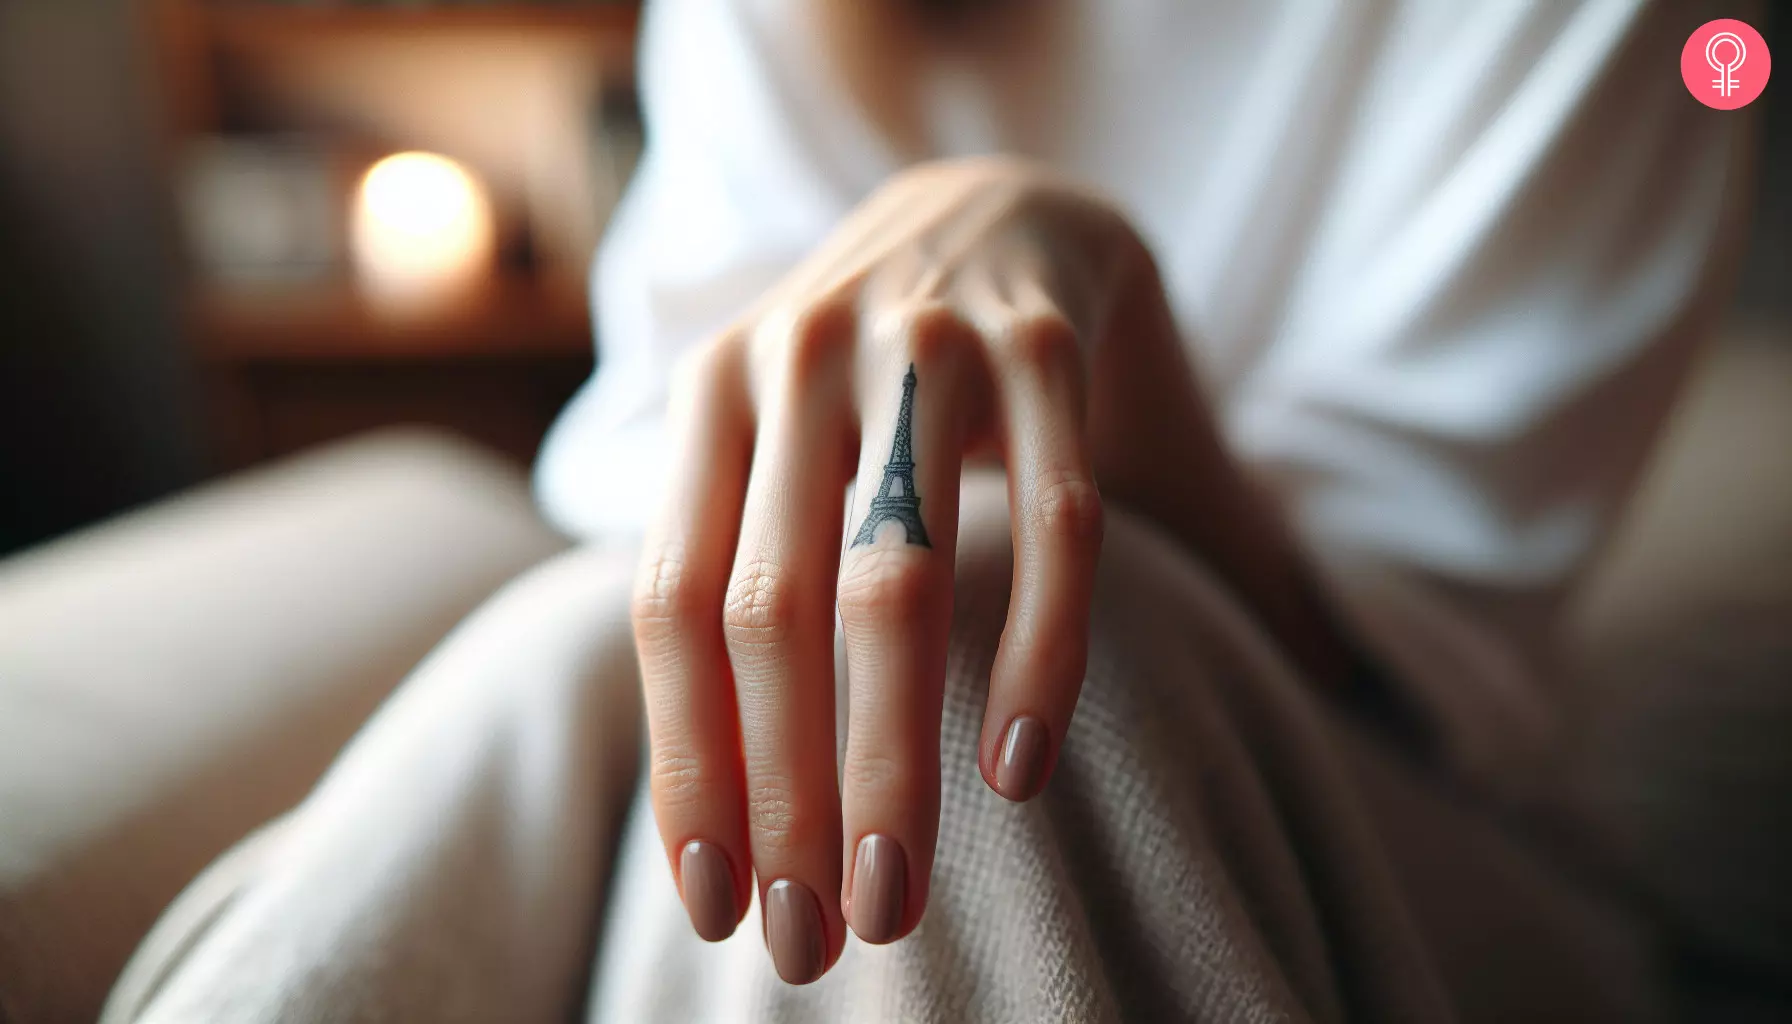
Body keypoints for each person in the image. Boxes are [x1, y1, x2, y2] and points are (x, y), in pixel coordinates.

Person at [105, 0, 1749, 1021]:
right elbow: (667, 509)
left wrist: (1107, 317)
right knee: (563, 665)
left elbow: (1389, 634)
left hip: (1408, 822)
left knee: (996, 661)